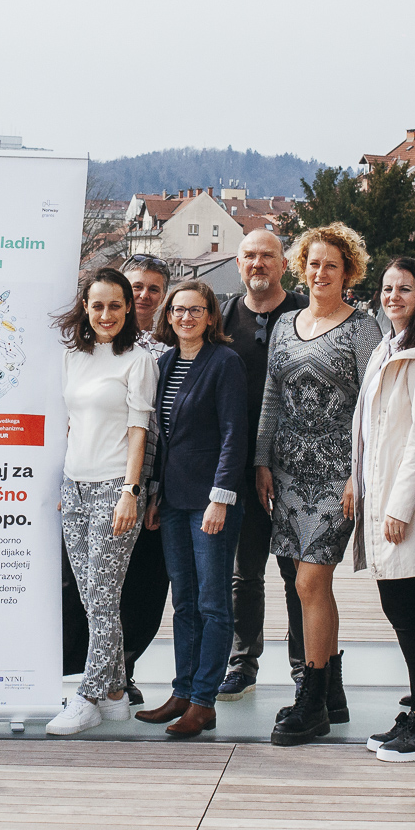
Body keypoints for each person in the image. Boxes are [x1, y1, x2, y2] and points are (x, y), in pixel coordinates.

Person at [259, 222, 383, 744]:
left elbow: (376, 408)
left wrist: (360, 471)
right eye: (313, 263)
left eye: (331, 264)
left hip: (337, 475)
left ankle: (310, 701)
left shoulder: (363, 328)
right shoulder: (286, 324)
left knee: (311, 583)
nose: (320, 272)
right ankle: (333, 692)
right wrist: (262, 461)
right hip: (286, 473)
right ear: (300, 267)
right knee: (301, 584)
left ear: (348, 271)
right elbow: (270, 396)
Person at [348, 257, 415, 762]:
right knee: (401, 608)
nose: (393, 296)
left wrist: (399, 506)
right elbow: (371, 428)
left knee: (409, 610)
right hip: (381, 492)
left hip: (406, 500)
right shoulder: (389, 346)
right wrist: (357, 478)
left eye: (405, 289)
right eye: (388, 288)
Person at [135, 279, 249, 738]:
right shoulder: (162, 364)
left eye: (196, 310)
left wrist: (220, 498)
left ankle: (204, 701)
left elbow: (233, 434)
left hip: (210, 504)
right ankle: (182, 692)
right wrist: (156, 494)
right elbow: (161, 437)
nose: (186, 317)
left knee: (212, 603)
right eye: (179, 310)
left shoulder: (225, 362)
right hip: (174, 502)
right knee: (183, 603)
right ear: (168, 316)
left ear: (210, 316)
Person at [46, 268, 157, 736]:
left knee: (104, 597)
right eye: (97, 306)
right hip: (72, 487)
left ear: (128, 308)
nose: (106, 314)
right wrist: (62, 484)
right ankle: (115, 694)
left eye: (115, 305)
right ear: (85, 309)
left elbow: (139, 432)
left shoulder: (138, 360)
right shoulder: (74, 356)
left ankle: (88, 695)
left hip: (115, 488)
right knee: (92, 596)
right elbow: (68, 422)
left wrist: (131, 492)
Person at [217, 228, 308, 702]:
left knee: (298, 573)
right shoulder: (222, 318)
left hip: (298, 466)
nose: (258, 264)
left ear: (284, 264)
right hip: (238, 468)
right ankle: (242, 662)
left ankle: (303, 667)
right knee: (244, 573)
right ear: (238, 264)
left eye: (267, 256)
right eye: (249, 256)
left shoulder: (305, 316)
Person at [109, 254, 174, 703]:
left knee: (146, 589)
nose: (144, 295)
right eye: (136, 286)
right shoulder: (98, 344)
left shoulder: (175, 350)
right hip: (101, 481)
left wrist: (156, 490)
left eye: (154, 288)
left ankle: (125, 668)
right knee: (100, 586)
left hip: (151, 488)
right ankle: (103, 671)